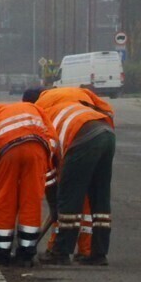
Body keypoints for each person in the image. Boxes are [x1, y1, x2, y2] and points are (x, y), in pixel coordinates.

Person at [31, 87, 116, 266]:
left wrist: (55, 203)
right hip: (106, 131)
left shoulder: (39, 114)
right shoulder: (78, 95)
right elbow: (107, 109)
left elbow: (49, 171)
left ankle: (60, 252)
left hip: (81, 137)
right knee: (100, 195)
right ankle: (98, 253)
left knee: (70, 196)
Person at [0, 100, 59, 266]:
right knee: (31, 201)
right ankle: (26, 254)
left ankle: (1, 253)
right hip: (36, 150)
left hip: (7, 152)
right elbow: (53, 138)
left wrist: (3, 180)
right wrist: (44, 162)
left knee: (5, 200)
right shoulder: (36, 109)